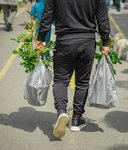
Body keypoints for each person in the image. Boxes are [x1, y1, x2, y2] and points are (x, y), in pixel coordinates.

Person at [35, 0, 110, 138]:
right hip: (87, 40)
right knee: (82, 82)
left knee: (61, 80)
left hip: (64, 40)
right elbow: (102, 17)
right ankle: (76, 120)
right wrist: (105, 41)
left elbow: (47, 14)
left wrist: (41, 37)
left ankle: (62, 112)